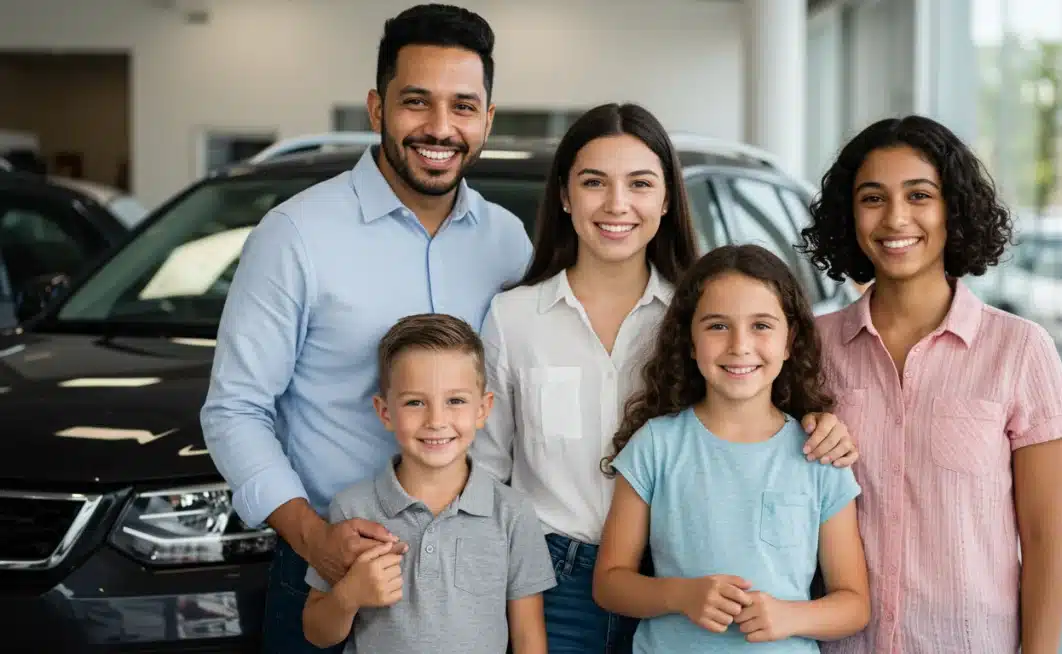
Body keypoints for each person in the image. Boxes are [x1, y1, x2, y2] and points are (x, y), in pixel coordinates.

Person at [199, 5, 532, 652]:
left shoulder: (507, 242)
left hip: (471, 576)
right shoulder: (296, 235)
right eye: (417, 102)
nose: (441, 128)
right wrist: (312, 539)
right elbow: (235, 410)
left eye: (464, 106)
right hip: (329, 569)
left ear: (487, 119)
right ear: (377, 109)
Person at [471, 104, 860, 653]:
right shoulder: (513, 318)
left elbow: (766, 407)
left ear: (666, 199)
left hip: (691, 584)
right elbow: (485, 477)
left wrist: (822, 424)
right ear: (564, 195)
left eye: (640, 184)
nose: (616, 204)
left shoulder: (703, 317)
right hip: (549, 587)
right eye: (593, 182)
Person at [799, 115, 1062, 654]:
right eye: (873, 198)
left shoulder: (1019, 351)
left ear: (954, 208)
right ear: (850, 216)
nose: (896, 217)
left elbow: (1043, 541)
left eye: (919, 195)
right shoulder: (812, 348)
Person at [591, 244, 871, 653]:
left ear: (790, 340)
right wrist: (680, 596)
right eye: (718, 326)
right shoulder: (655, 445)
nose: (740, 346)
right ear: (689, 341)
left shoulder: (820, 455)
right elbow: (610, 583)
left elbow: (854, 604)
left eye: (761, 325)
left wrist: (793, 616)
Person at [300, 314, 556, 654]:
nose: (436, 421)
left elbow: (528, 639)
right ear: (385, 412)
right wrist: (349, 595)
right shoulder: (352, 510)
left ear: (483, 409)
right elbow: (316, 632)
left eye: (455, 401)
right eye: (415, 402)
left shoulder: (513, 513)